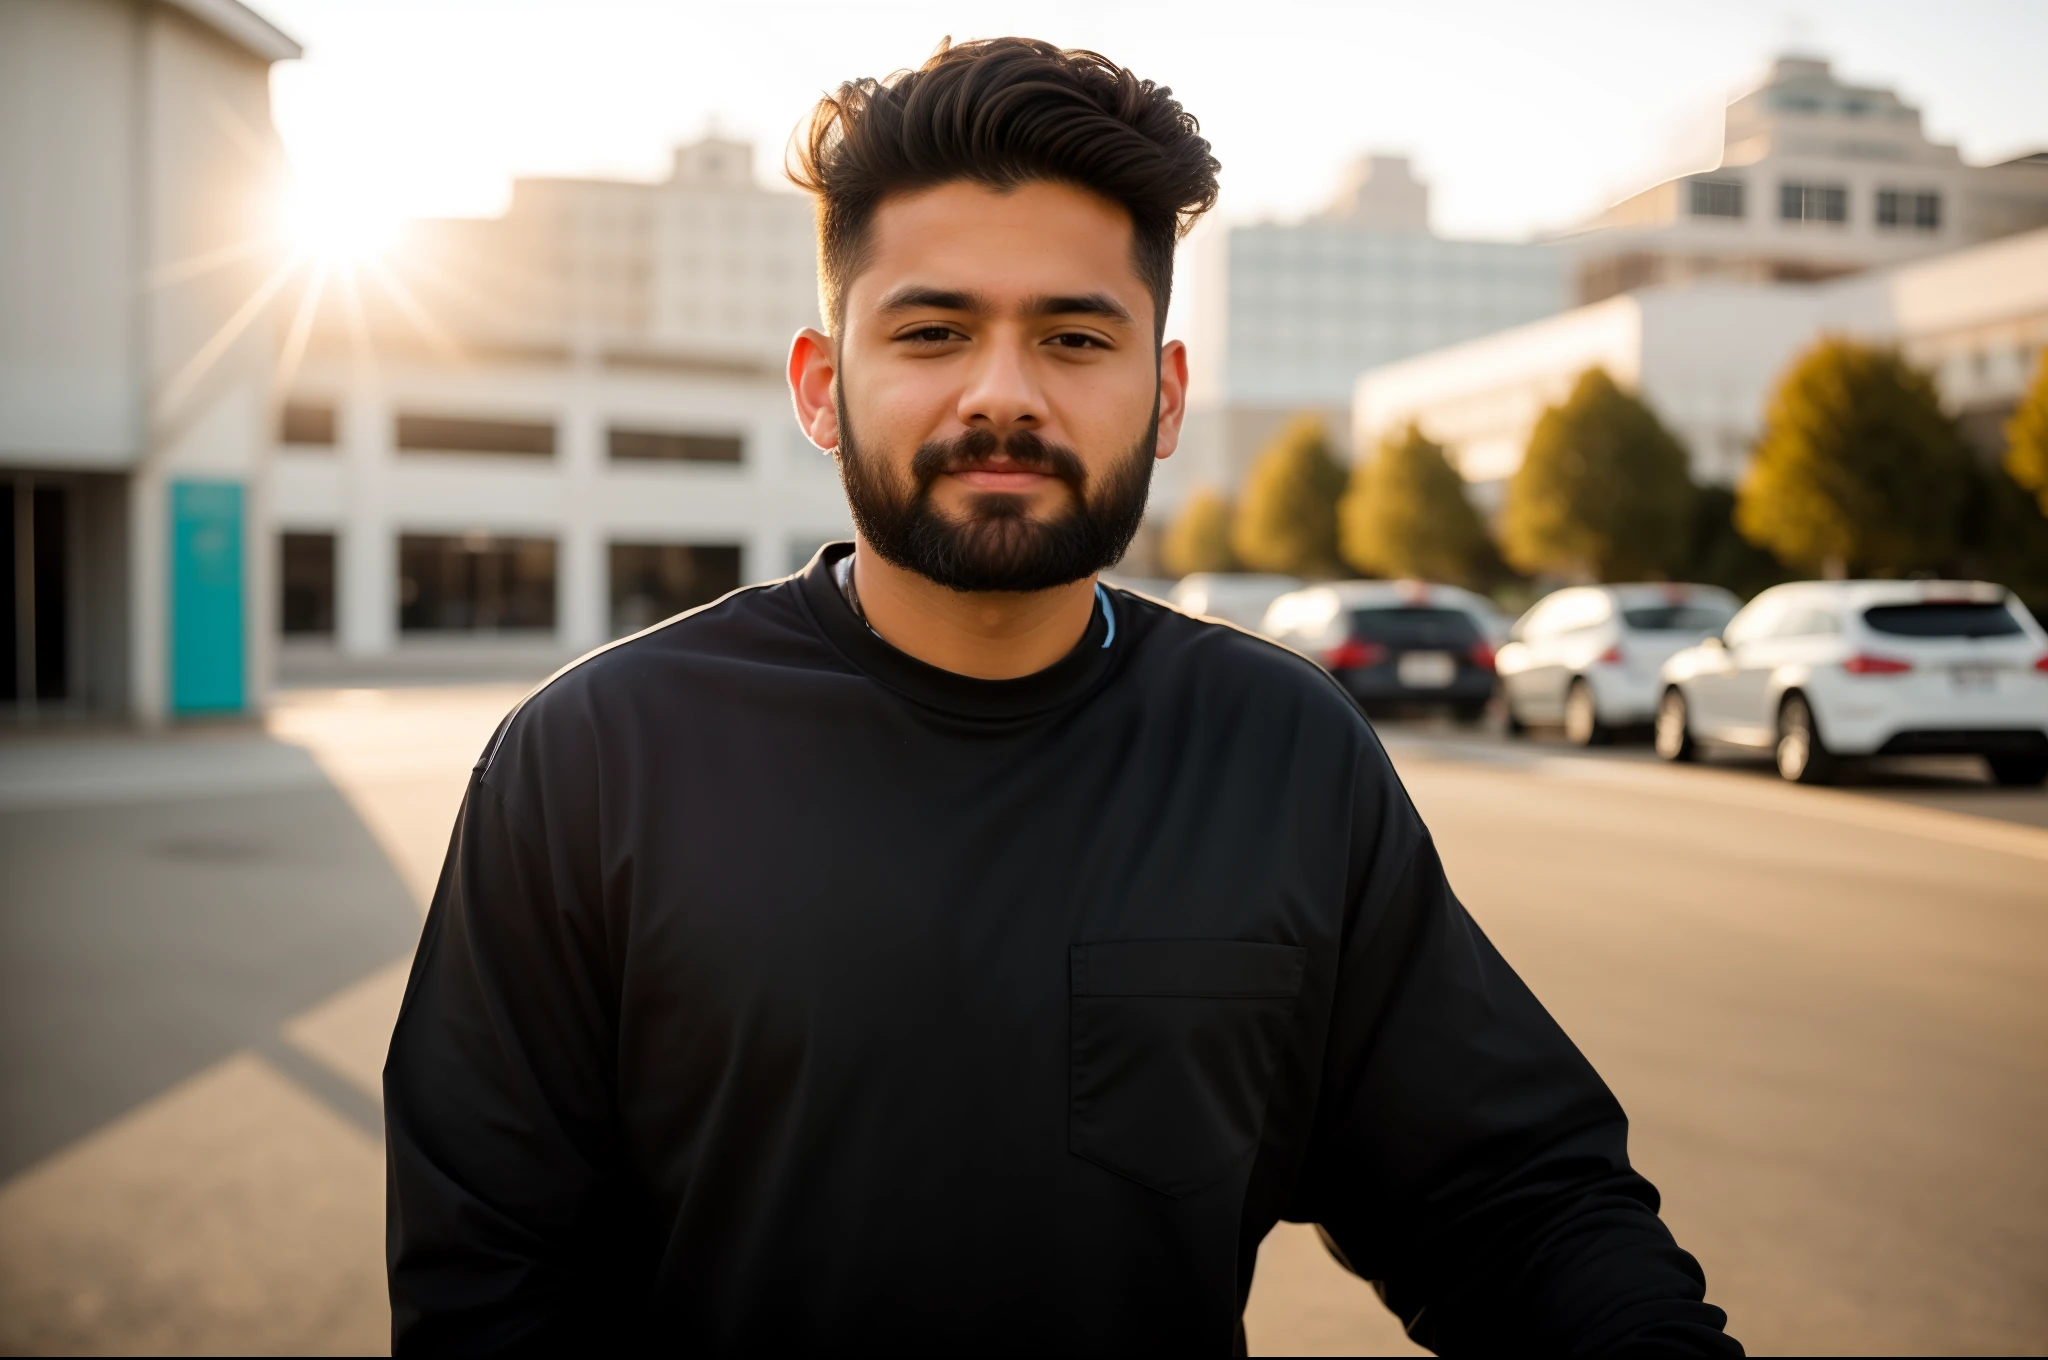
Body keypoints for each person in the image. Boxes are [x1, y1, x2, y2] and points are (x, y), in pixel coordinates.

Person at [384, 38, 1740, 1356]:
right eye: (931, 331)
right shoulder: (595, 759)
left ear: (1162, 395)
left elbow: (1513, 1204)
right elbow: (489, 1285)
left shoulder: (1282, 753)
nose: (1003, 395)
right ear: (821, 387)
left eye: (1076, 338)